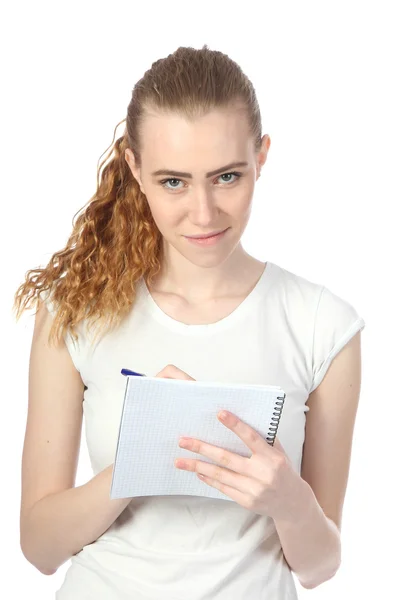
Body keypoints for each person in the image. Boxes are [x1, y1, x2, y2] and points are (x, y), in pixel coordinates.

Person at [13, 44, 365, 599]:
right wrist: (138, 460)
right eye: (173, 181)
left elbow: (318, 567)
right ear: (135, 167)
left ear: (262, 156)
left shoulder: (322, 326)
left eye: (227, 176)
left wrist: (290, 501)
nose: (203, 212)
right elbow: (39, 547)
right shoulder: (76, 312)